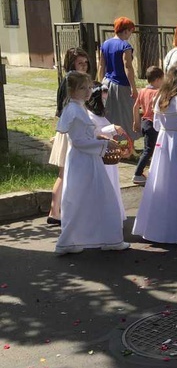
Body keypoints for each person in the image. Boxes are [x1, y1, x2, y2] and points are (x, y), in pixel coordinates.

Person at [55, 71, 129, 255]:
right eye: (82, 88)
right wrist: (103, 143)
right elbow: (79, 141)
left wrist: (98, 137)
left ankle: (105, 238)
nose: (88, 92)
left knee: (93, 198)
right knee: (84, 198)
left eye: (89, 87)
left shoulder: (78, 107)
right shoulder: (74, 110)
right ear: (71, 90)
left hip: (86, 159)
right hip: (83, 160)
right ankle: (71, 240)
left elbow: (83, 136)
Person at [132, 60, 177, 248]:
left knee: (161, 185)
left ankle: (157, 228)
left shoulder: (161, 97)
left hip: (163, 141)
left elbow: (157, 124)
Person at [48, 48, 91, 226]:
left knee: (65, 172)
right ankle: (56, 211)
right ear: (72, 63)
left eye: (85, 62)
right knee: (64, 172)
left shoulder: (75, 79)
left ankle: (57, 210)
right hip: (71, 132)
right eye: (80, 62)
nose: (84, 65)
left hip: (71, 129)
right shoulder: (71, 81)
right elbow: (65, 109)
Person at [85, 83, 126, 221]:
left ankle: (114, 215)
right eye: (102, 98)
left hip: (108, 154)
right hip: (100, 155)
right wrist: (112, 128)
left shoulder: (100, 115)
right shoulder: (89, 116)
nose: (105, 101)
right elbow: (94, 133)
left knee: (112, 183)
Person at [98, 17, 138, 140]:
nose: (130, 34)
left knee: (109, 113)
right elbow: (128, 66)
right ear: (126, 30)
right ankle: (127, 143)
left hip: (106, 82)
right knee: (127, 114)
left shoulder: (105, 44)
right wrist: (133, 87)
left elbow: (101, 65)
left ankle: (111, 139)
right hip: (121, 84)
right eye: (131, 31)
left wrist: (100, 84)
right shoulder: (125, 46)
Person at [132, 66, 165, 185]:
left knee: (152, 148)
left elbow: (136, 107)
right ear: (157, 80)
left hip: (145, 122)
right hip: (153, 124)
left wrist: (136, 122)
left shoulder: (143, 91)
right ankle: (137, 173)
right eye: (162, 79)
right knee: (149, 150)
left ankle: (152, 170)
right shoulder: (157, 93)